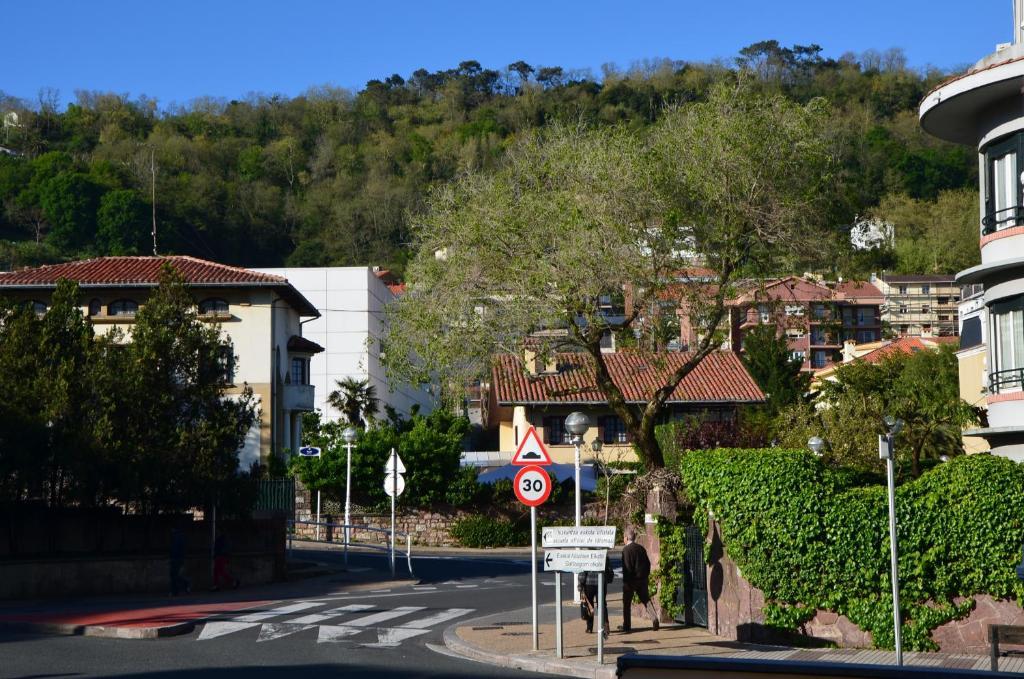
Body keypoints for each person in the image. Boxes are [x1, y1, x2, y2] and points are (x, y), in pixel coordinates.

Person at [619, 526, 659, 632]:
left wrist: (627, 582)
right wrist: (645, 575)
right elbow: (648, 563)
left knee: (626, 603)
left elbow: (627, 567)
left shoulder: (626, 550)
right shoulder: (641, 548)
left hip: (630, 581)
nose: (623, 539)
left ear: (626, 538)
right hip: (642, 579)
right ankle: (654, 618)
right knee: (646, 599)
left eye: (623, 537)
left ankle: (627, 626)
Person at [578, 553, 613, 638]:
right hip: (601, 583)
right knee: (602, 605)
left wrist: (581, 584)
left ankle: (589, 627)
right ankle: (605, 626)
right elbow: (609, 570)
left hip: (589, 583)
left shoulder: (587, 556)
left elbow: (583, 572)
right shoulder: (604, 555)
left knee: (589, 605)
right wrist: (607, 580)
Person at [169, 527, 191, 596]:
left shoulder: (177, 537)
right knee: (175, 575)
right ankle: (178, 589)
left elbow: (176, 549)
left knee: (174, 575)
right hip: (178, 559)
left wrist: (173, 557)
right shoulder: (179, 537)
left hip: (176, 559)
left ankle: (176, 590)